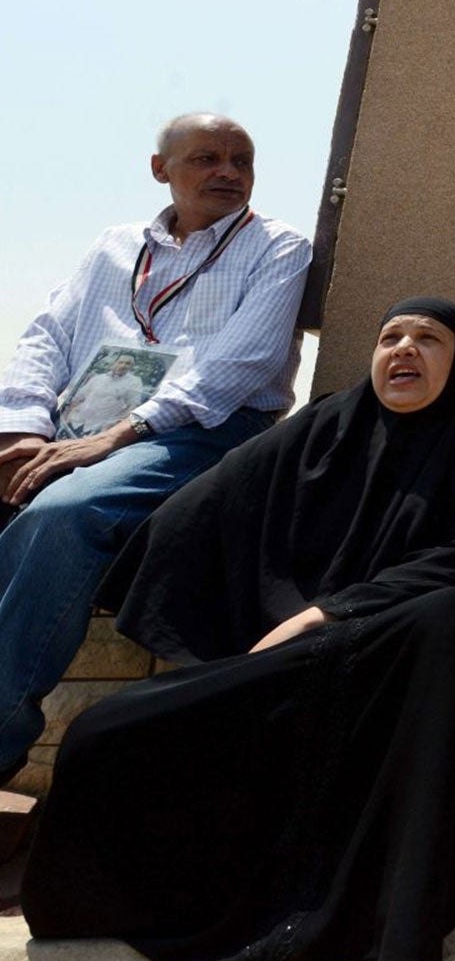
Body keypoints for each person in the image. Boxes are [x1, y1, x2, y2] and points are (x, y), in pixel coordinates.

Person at [21, 299, 455, 961]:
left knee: (449, 614)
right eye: (390, 337)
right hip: (308, 660)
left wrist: (328, 612)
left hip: (412, 651)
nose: (404, 349)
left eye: (428, 339)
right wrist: (126, 556)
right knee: (102, 732)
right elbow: (208, 501)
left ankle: (397, 926)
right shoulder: (325, 424)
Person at [0, 113, 308, 783]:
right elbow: (47, 335)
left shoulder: (277, 247)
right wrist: (23, 430)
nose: (228, 172)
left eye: (241, 160)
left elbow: (239, 367)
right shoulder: (115, 245)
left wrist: (118, 434)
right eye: (206, 158)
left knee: (64, 513)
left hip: (203, 429)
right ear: (160, 169)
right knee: (27, 485)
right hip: (82, 426)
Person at [53, 352, 150, 438]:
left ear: (131, 367)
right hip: (75, 422)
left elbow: (132, 406)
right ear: (114, 363)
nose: (123, 365)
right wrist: (67, 417)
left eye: (128, 363)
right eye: (121, 362)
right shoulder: (98, 378)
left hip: (100, 429)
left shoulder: (134, 382)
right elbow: (78, 398)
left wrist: (113, 426)